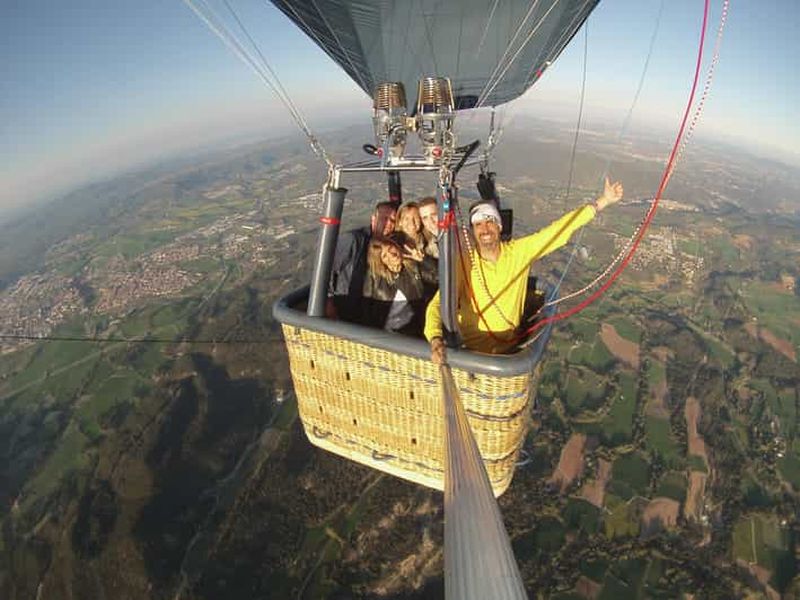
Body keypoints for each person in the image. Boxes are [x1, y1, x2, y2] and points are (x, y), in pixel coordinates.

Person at [425, 177, 625, 363]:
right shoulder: (464, 262)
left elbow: (557, 231)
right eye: (478, 224)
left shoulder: (518, 252)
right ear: (472, 230)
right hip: (469, 351)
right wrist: (435, 338)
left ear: (499, 226)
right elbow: (439, 302)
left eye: (489, 222)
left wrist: (602, 202)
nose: (484, 229)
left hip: (507, 350)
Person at [326, 201, 397, 321]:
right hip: (345, 313)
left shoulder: (389, 247)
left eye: (393, 220)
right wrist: (328, 302)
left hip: (369, 315)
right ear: (373, 219)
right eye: (384, 218)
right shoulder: (353, 240)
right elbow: (326, 270)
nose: (389, 223)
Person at [362, 237, 426, 336]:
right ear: (381, 262)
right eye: (384, 256)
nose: (392, 255)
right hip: (385, 335)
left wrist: (423, 261)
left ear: (396, 246)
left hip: (414, 334)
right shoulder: (374, 278)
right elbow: (366, 311)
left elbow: (439, 277)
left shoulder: (413, 268)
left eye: (390, 248)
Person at [394, 201, 438, 298]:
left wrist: (424, 260)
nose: (411, 222)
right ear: (400, 222)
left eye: (416, 218)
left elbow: (440, 275)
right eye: (406, 219)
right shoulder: (392, 246)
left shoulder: (432, 244)